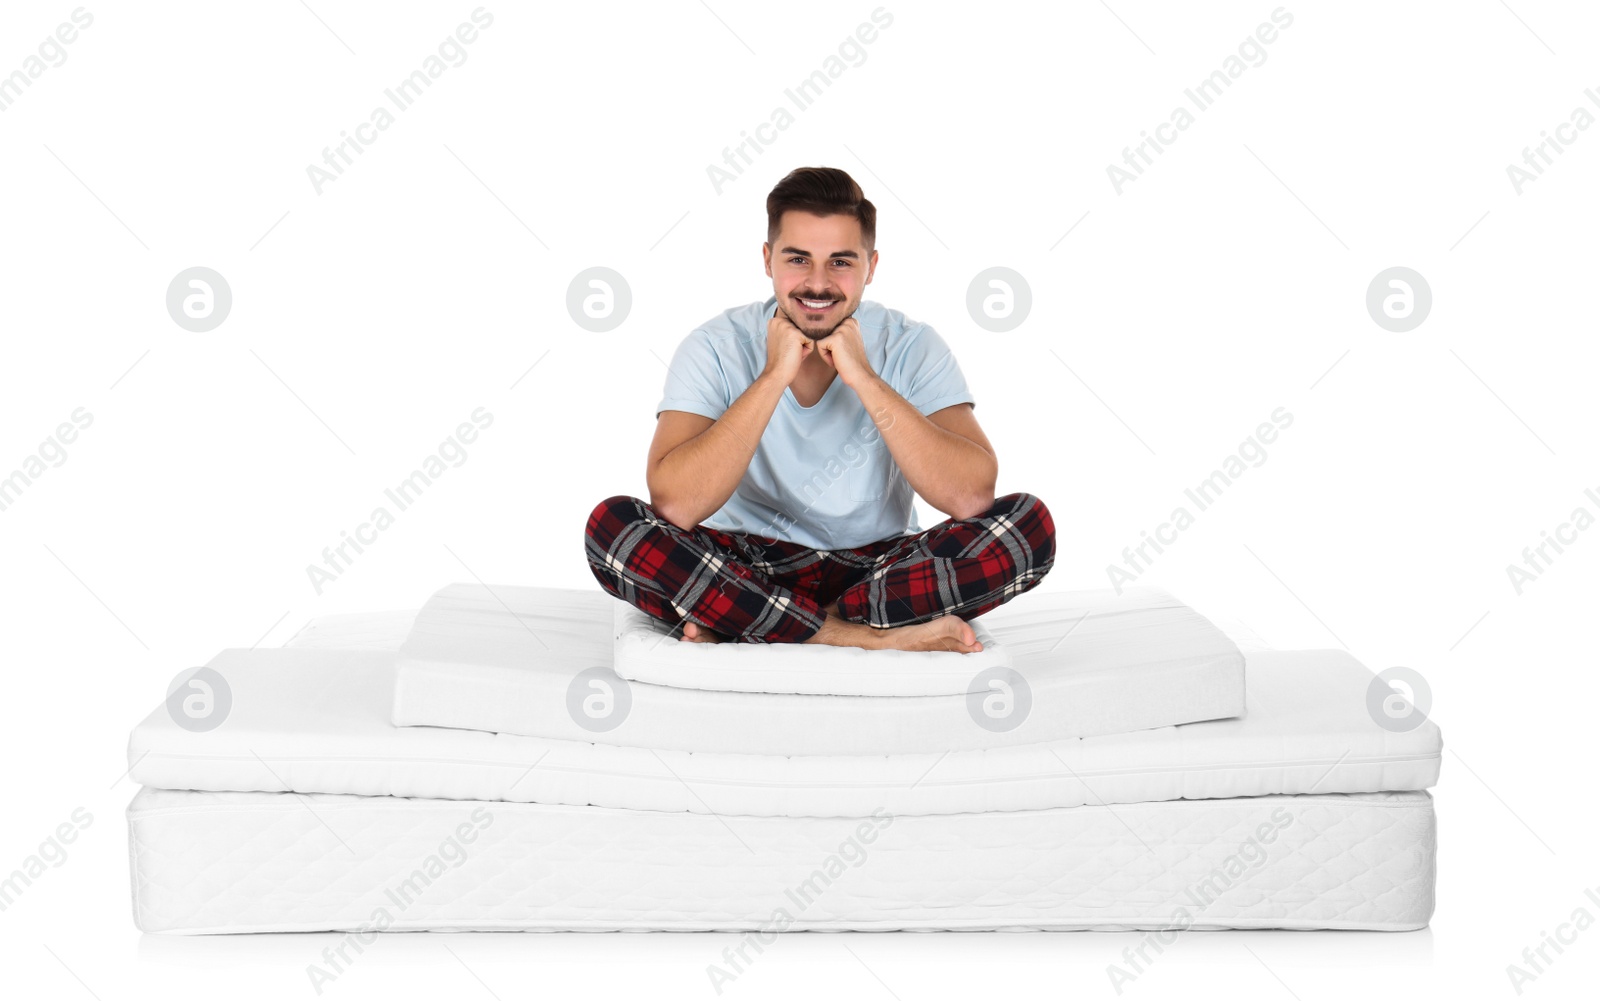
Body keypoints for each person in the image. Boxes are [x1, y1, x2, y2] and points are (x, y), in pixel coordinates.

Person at [584, 166, 1054, 653]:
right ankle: (858, 636)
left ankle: (761, 620)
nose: (817, 283)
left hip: (879, 571)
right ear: (768, 261)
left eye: (841, 262)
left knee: (1029, 527)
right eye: (798, 259)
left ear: (871, 266)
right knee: (613, 527)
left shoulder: (913, 345)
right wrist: (772, 377)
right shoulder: (713, 346)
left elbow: (971, 497)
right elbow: (676, 505)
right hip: (743, 561)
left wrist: (865, 379)